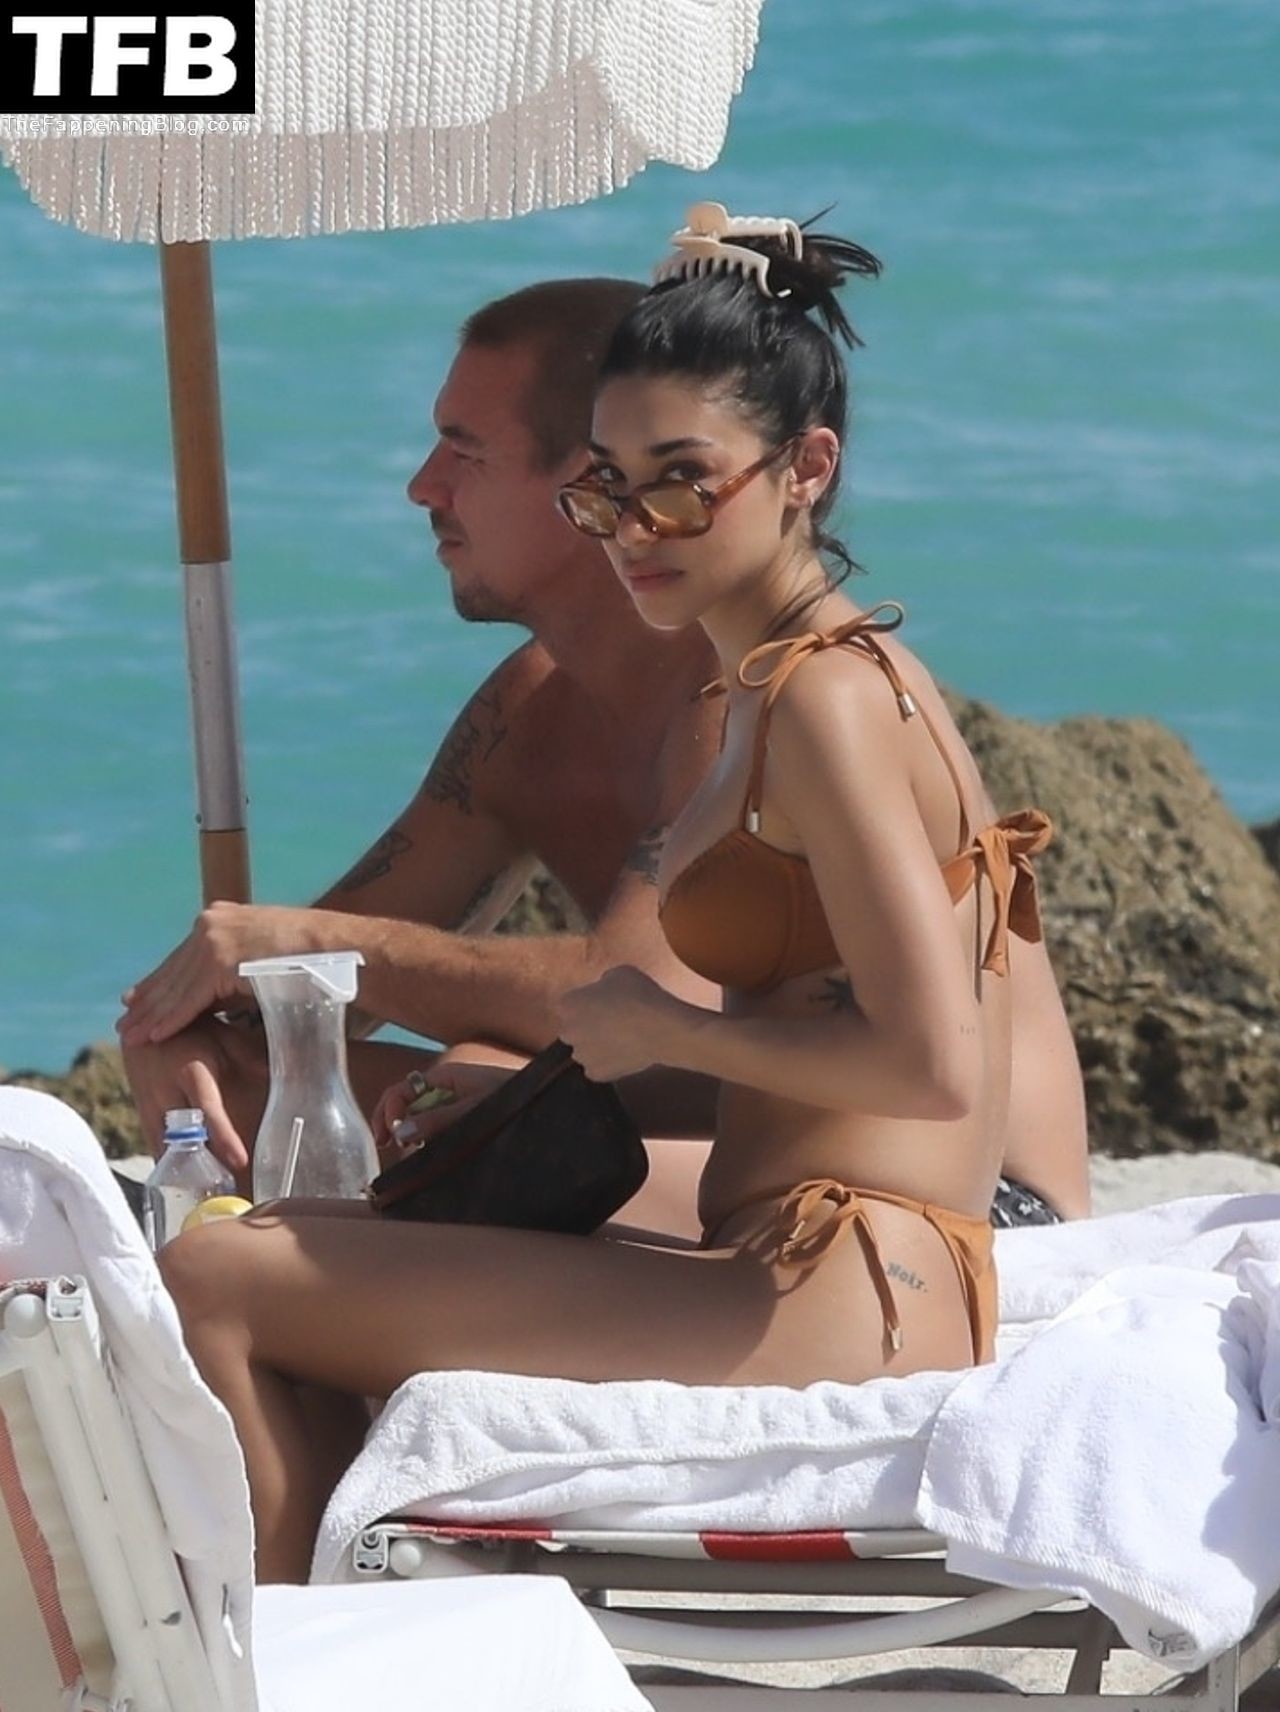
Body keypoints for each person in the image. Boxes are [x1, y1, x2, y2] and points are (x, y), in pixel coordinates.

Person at [161, 204, 1080, 1584]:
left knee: (216, 1278)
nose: (635, 530)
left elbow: (934, 1065)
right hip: (803, 1264)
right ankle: (329, 1628)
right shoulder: (791, 680)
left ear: (805, 469)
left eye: (682, 484)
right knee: (289, 1243)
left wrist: (661, 1029)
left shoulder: (824, 702)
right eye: (606, 488)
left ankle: (287, 1669)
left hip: (849, 1291)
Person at [121, 271, 1088, 1233]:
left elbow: (636, 999)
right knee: (256, 1091)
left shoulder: (764, 697)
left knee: (468, 1135)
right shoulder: (531, 712)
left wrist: (299, 947)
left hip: (964, 1193)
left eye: (465, 452)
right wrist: (185, 1025)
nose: (423, 486)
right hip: (755, 1136)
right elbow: (306, 982)